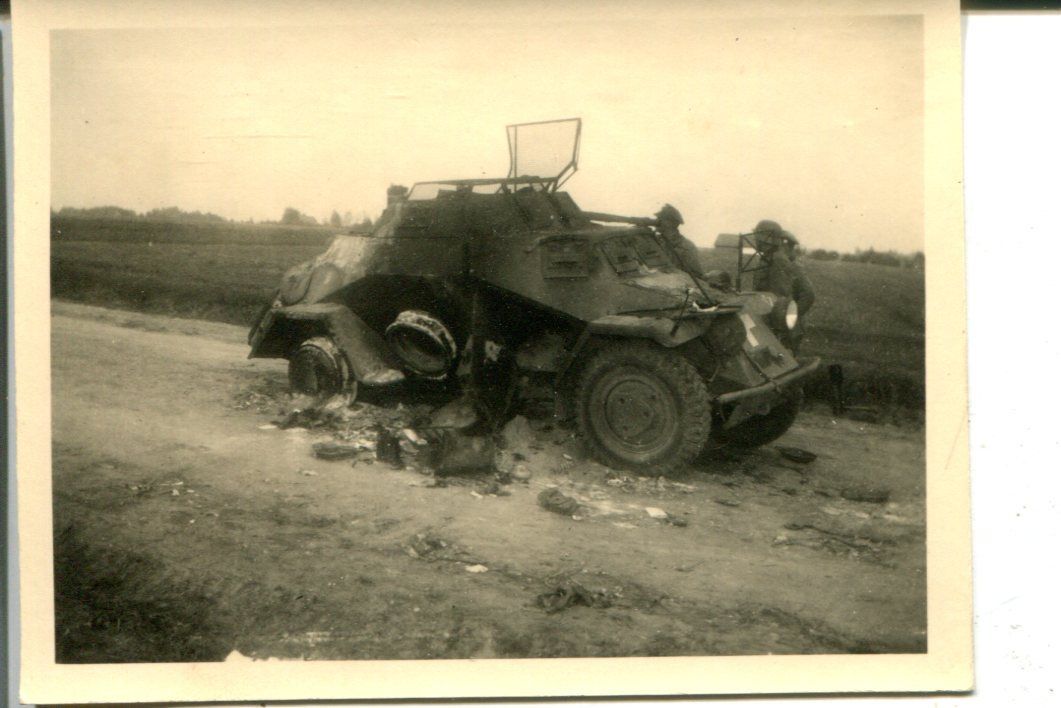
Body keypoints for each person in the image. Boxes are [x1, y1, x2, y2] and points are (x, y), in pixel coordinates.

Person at [752, 219, 815, 351]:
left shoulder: (778, 261)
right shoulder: (770, 259)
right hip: (779, 322)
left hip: (783, 326)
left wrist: (786, 320)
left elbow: (785, 296)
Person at [654, 204, 706, 278]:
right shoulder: (655, 241)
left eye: (661, 219)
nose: (657, 222)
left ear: (672, 223)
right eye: (657, 218)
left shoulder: (686, 246)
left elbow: (696, 274)